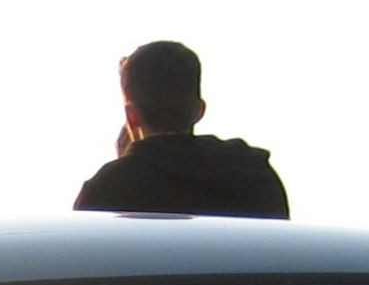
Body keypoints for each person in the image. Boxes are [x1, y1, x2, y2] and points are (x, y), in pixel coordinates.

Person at [75, 40, 289, 219]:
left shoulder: (105, 192)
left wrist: (127, 164)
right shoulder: (256, 175)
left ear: (132, 116)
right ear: (199, 110)